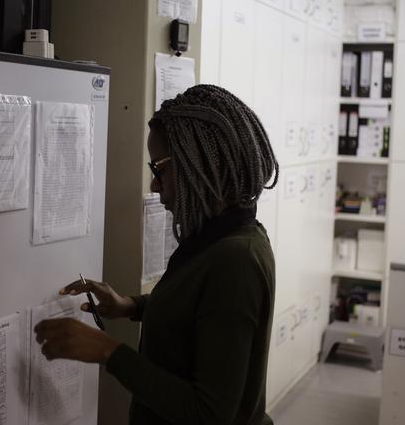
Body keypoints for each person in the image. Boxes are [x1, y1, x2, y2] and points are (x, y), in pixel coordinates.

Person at [34, 84, 278, 425]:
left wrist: (108, 351)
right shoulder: (218, 237)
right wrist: (132, 306)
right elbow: (204, 313)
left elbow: (209, 414)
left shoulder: (236, 259)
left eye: (159, 170)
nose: (153, 185)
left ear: (202, 166)